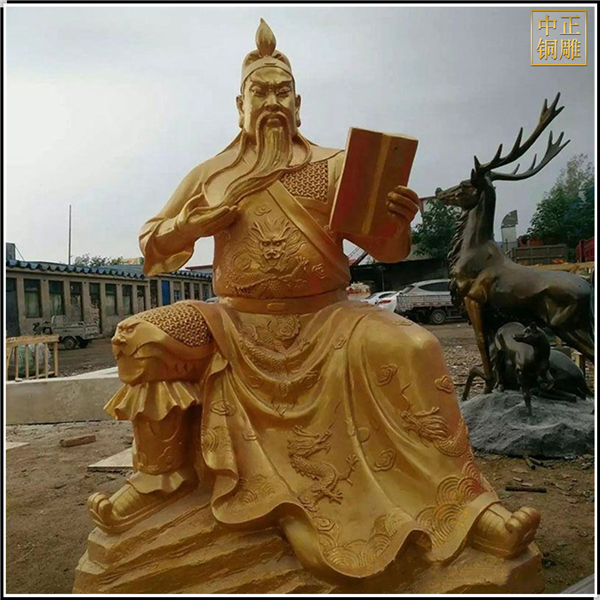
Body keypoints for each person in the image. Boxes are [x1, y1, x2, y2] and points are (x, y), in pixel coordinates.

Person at [87, 19, 540, 581]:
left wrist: (397, 222)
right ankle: (159, 478)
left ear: (298, 105)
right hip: (234, 322)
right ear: (239, 106)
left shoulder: (335, 165)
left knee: (417, 347)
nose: (272, 102)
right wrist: (191, 224)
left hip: (328, 319)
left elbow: (387, 248)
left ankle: (468, 510)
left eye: (283, 92)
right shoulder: (212, 175)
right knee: (140, 338)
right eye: (260, 92)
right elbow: (152, 245)